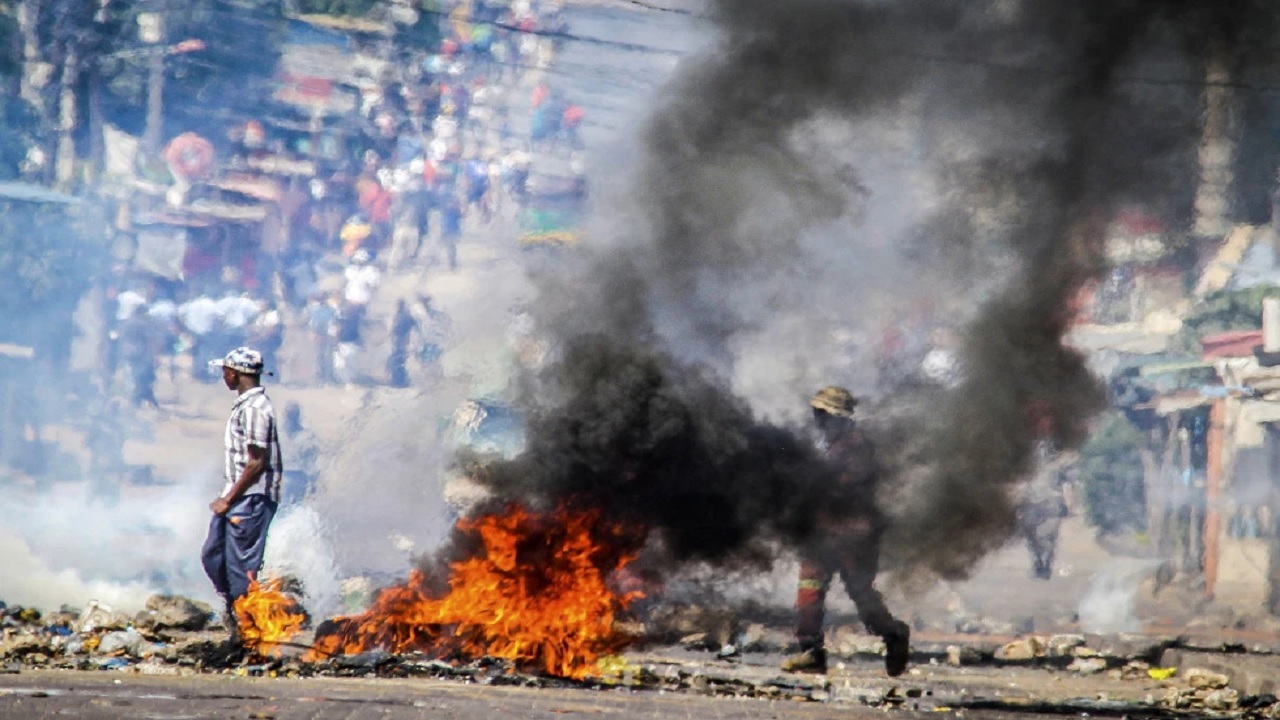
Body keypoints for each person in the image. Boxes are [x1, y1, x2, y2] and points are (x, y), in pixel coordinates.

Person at [783, 386, 910, 677]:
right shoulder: (831, 445)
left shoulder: (856, 447)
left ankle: (894, 635)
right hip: (823, 532)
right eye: (817, 413)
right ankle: (811, 652)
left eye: (823, 414)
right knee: (809, 591)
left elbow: (845, 489)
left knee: (861, 594)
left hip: (853, 535)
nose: (818, 420)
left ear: (838, 417)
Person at [201, 347, 283, 643]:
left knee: (241, 570)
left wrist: (229, 499)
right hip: (237, 497)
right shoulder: (245, 406)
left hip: (250, 500)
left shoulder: (254, 409)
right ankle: (236, 613)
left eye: (225, 371)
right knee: (213, 556)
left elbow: (257, 463)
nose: (223, 375)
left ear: (234, 373)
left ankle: (250, 631)